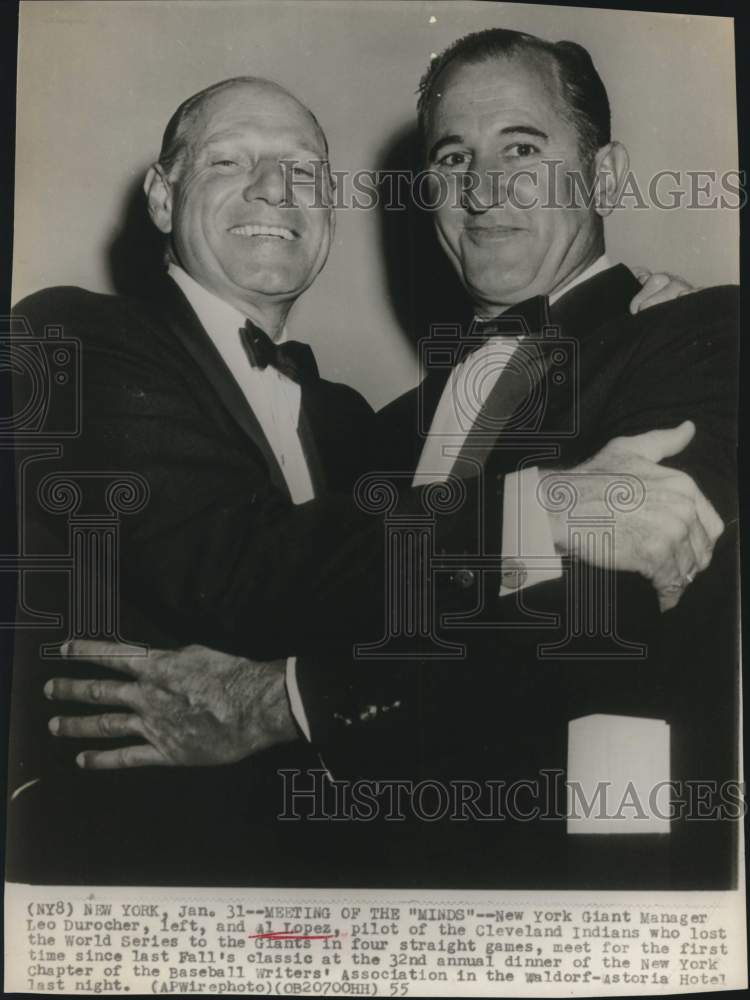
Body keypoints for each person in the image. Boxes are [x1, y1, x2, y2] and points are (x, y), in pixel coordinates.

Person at [10, 67, 718, 885]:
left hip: (363, 878)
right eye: (230, 162)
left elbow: (428, 606)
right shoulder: (65, 337)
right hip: (114, 871)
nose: (275, 188)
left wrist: (666, 329)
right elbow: (233, 562)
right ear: (163, 198)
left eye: (306, 170)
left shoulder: (361, 428)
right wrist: (540, 508)